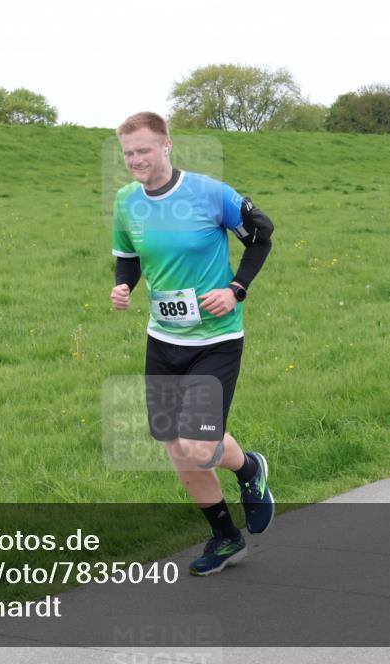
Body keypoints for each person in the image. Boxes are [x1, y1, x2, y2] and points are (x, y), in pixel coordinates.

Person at [110, 111, 276, 574]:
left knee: (200, 446)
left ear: (166, 146)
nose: (136, 159)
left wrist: (236, 288)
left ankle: (248, 468)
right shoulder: (127, 202)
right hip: (163, 339)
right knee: (174, 444)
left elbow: (262, 235)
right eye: (128, 153)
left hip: (215, 340)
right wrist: (124, 287)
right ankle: (225, 537)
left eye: (144, 149)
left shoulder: (209, 193)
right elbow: (128, 257)